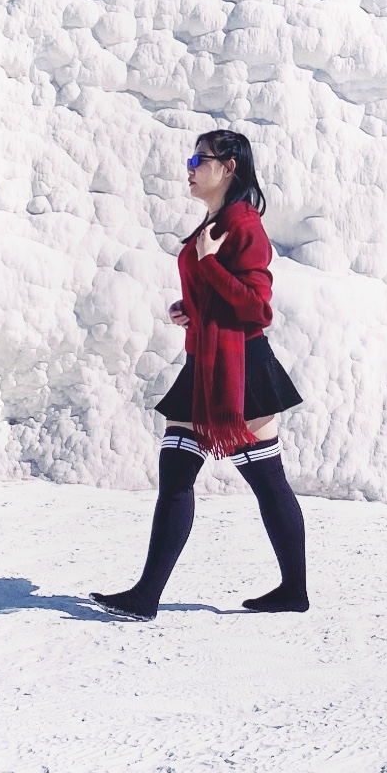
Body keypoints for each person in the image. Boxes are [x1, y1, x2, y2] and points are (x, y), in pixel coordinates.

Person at [91, 128, 309, 620]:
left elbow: (257, 307)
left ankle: (290, 590)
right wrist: (190, 308)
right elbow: (221, 296)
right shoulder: (216, 220)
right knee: (185, 474)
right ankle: (151, 594)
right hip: (210, 362)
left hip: (240, 369)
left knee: (263, 481)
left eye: (199, 158)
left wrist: (209, 268)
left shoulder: (243, 224)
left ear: (228, 167)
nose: (189, 167)